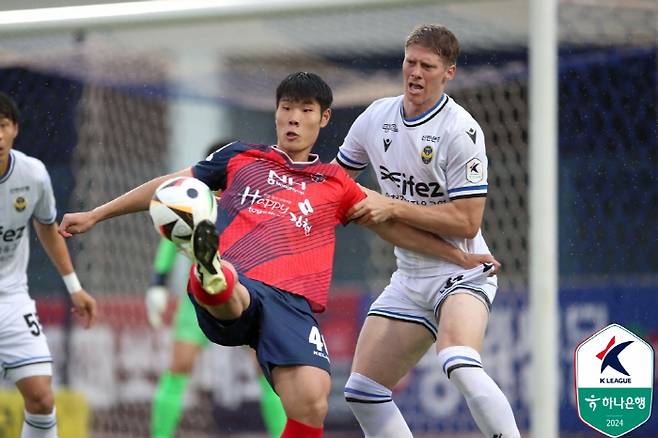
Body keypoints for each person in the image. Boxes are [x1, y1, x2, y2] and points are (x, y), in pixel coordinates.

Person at [59, 72, 496, 438]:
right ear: (276, 112)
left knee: (312, 400)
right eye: (287, 108)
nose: (294, 118)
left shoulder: (334, 183)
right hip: (241, 285)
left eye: (306, 111)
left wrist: (456, 258)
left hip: (292, 304)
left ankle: (212, 270)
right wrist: (97, 214)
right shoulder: (240, 158)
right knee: (227, 285)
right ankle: (211, 270)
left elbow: (391, 227)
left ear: (324, 119)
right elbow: (169, 186)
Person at [334, 25, 520, 437]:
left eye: (427, 66)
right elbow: (334, 185)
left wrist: (389, 205)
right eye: (410, 62)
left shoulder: (461, 131)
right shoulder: (374, 118)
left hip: (463, 273)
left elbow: (468, 221)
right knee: (363, 390)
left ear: (448, 72)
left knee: (458, 361)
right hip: (410, 276)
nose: (415, 73)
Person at [146, 142, 286, 438]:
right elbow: (170, 235)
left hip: (249, 292)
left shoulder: (254, 200)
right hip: (200, 295)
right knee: (180, 365)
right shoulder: (194, 199)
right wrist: (158, 283)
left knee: (268, 370)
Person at [0, 91, 97, 438]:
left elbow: (48, 229)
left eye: (3, 125)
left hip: (10, 299)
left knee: (41, 397)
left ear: (15, 129)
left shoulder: (33, 175)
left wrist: (74, 287)